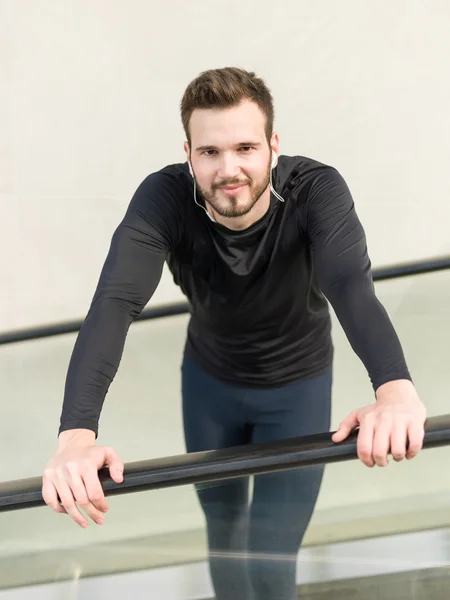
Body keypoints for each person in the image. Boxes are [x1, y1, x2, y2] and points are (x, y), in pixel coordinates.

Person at [42, 67, 426, 600]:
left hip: (298, 387)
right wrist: (75, 437)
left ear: (273, 146)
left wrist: (395, 390)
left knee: (270, 562)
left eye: (246, 147)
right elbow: (114, 304)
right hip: (209, 385)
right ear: (188, 154)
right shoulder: (164, 198)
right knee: (223, 538)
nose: (230, 169)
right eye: (210, 152)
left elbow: (350, 286)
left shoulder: (317, 190)